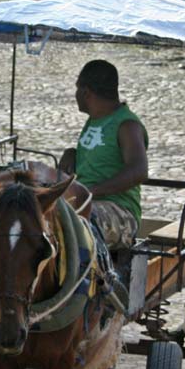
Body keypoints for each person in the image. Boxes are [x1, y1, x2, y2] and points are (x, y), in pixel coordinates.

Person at [60, 60, 148, 250]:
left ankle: (85, 278)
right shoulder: (96, 119)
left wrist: (91, 191)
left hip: (120, 211)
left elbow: (139, 170)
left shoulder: (127, 125)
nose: (75, 95)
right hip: (86, 202)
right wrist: (72, 153)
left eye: (77, 89)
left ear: (86, 93)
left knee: (77, 224)